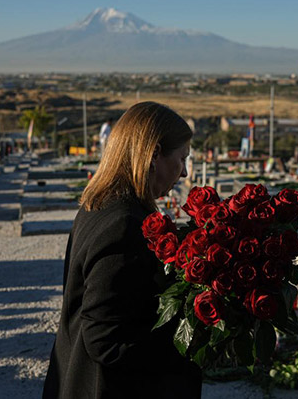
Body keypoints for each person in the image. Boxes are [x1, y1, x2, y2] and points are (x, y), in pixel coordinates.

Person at [42, 102, 201, 399]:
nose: (184, 173)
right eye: (182, 159)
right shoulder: (124, 226)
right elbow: (106, 340)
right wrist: (190, 338)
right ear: (153, 154)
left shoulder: (99, 206)